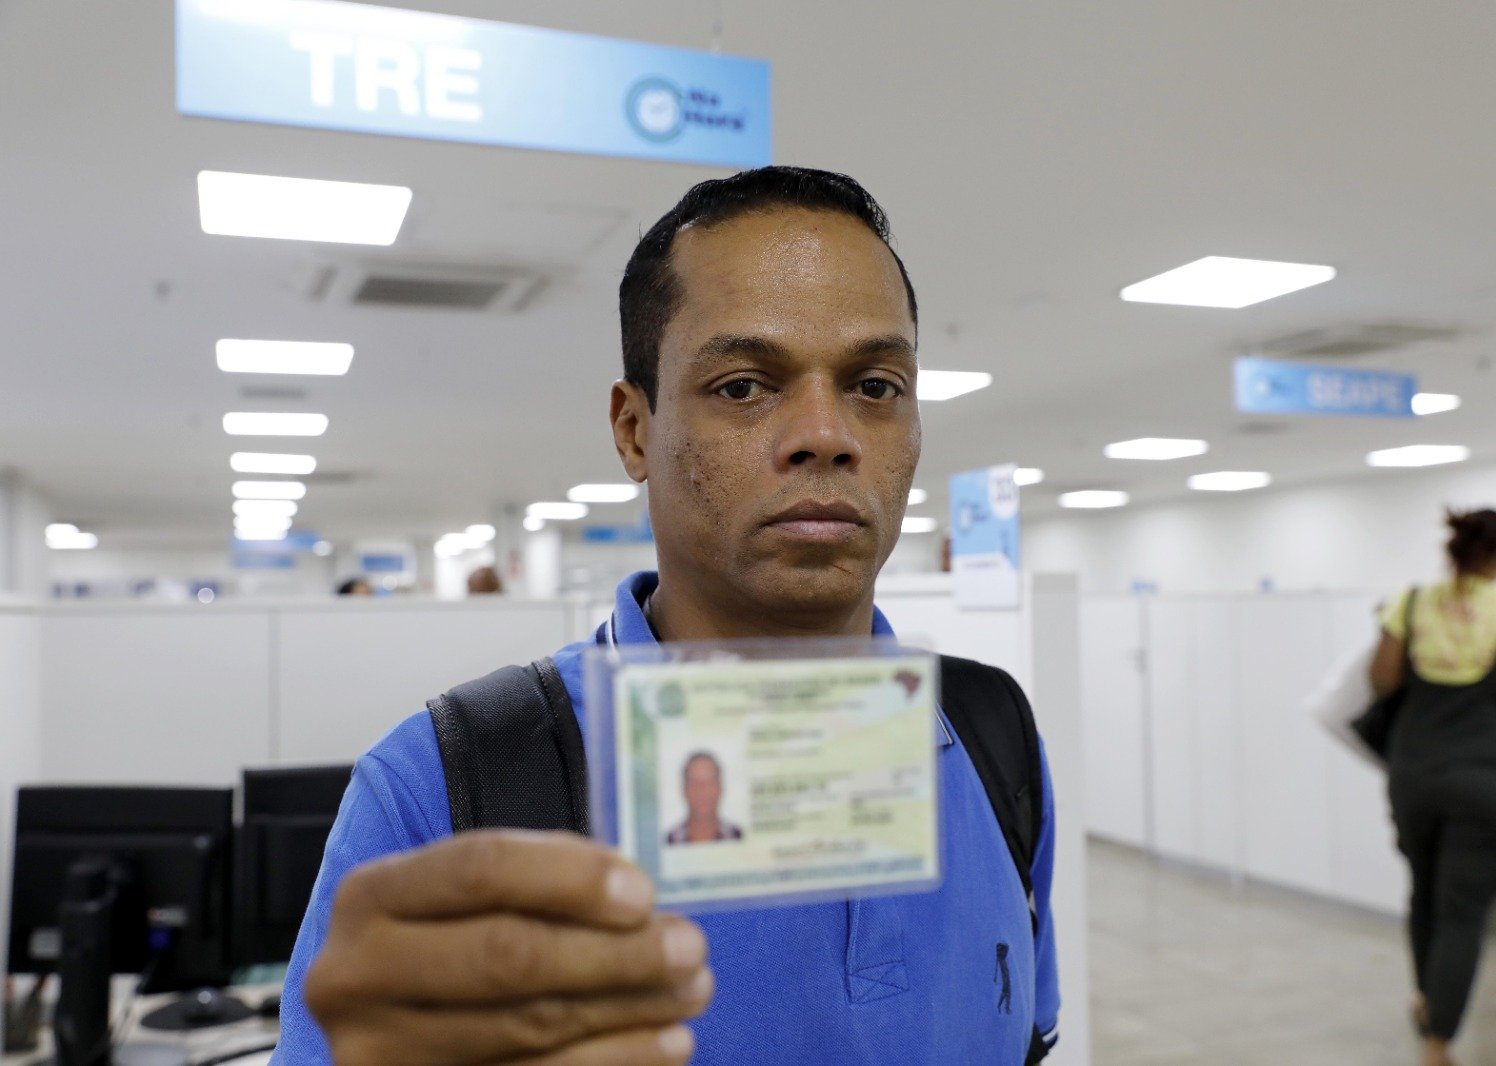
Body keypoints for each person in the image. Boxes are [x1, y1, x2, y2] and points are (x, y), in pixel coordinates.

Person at [274, 167, 1060, 1066]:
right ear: (634, 430)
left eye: (875, 385)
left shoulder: (995, 736)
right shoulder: (445, 788)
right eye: (743, 386)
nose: (825, 432)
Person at [1368, 508, 1496, 1066]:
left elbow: (1381, 680)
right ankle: (1437, 1041)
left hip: (1416, 772)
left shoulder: (1412, 602)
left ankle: (1429, 1002)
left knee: (1424, 893)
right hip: (1485, 778)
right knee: (1463, 912)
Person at [664, 752, 743, 845]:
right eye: (694, 782)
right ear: (684, 790)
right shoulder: (669, 841)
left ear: (720, 788)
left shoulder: (738, 837)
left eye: (709, 782)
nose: (702, 790)